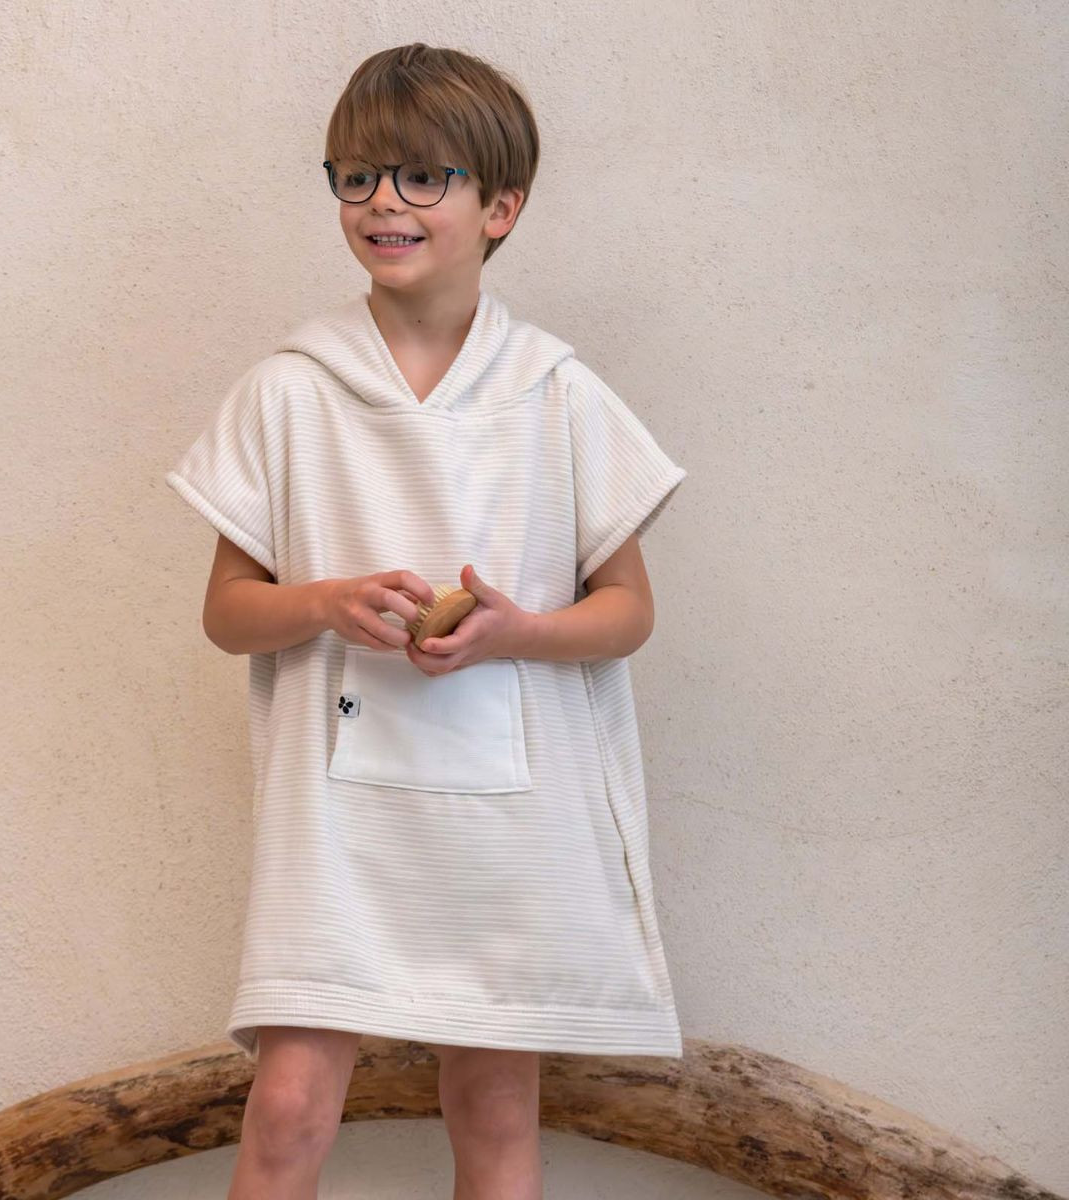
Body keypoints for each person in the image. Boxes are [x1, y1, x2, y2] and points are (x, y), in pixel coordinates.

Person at [165, 42, 689, 1200]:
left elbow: (628, 613)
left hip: (508, 820)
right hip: (337, 816)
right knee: (290, 1105)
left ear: (501, 207)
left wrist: (516, 632)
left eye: (421, 177)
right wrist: (327, 601)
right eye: (357, 176)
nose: (382, 202)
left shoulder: (554, 391)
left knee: (493, 1107)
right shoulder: (289, 390)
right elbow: (228, 615)